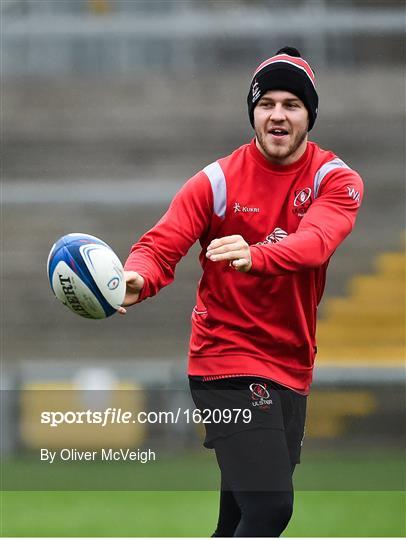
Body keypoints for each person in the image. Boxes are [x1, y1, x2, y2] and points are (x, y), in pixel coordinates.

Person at [119, 47, 364, 537]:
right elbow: (160, 245)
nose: (278, 114)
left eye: (292, 104)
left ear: (309, 115)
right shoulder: (216, 181)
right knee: (272, 509)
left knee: (239, 519)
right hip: (224, 362)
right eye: (266, 102)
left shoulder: (334, 180)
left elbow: (315, 244)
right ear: (252, 111)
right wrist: (134, 278)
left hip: (291, 365)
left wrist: (257, 254)